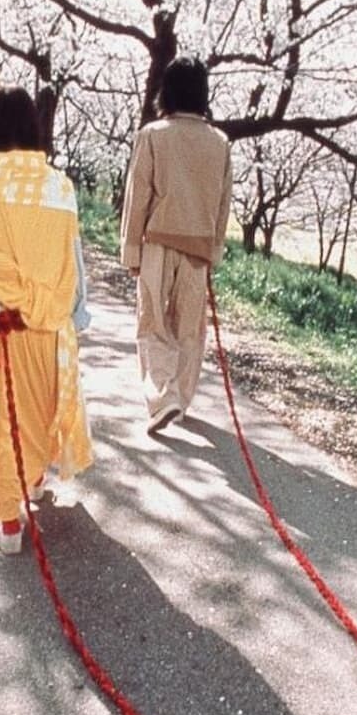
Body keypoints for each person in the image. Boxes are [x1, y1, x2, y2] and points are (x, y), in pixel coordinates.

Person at [0, 84, 93, 554]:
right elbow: (74, 262)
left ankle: (9, 524)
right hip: (49, 330)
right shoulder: (60, 187)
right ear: (33, 126)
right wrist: (78, 315)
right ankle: (31, 484)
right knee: (40, 412)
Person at [119, 56, 233, 433]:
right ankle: (180, 399)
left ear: (165, 90)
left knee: (152, 322)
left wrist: (131, 250)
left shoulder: (153, 135)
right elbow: (222, 203)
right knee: (189, 329)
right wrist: (214, 250)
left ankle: (162, 397)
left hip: (158, 242)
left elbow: (139, 197)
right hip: (198, 248)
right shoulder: (220, 143)